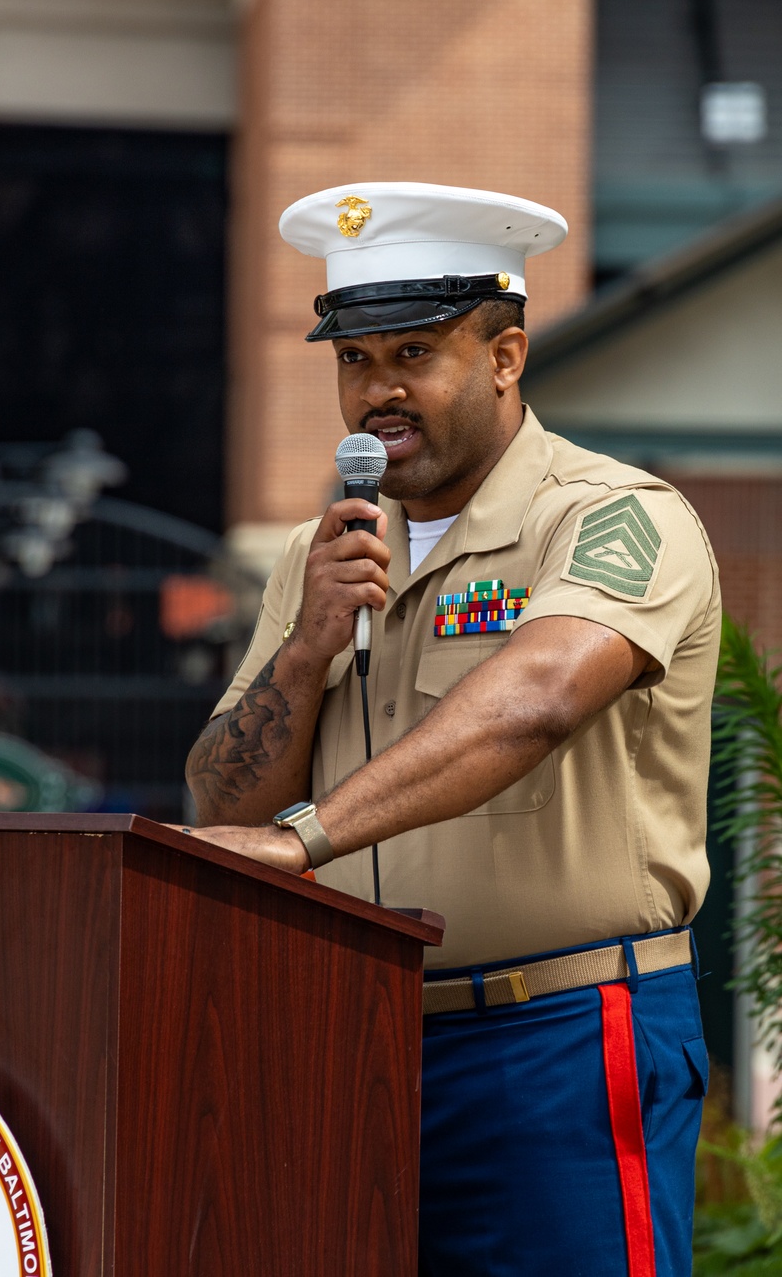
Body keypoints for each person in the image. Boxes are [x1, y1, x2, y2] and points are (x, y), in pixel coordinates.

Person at [184, 183, 720, 1276]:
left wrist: (306, 841)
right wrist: (305, 649)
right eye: (353, 361)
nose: (378, 393)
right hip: (344, 1041)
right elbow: (220, 804)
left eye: (413, 355)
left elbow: (533, 701)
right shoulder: (319, 553)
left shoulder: (613, 516)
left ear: (505, 356)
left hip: (555, 1039)